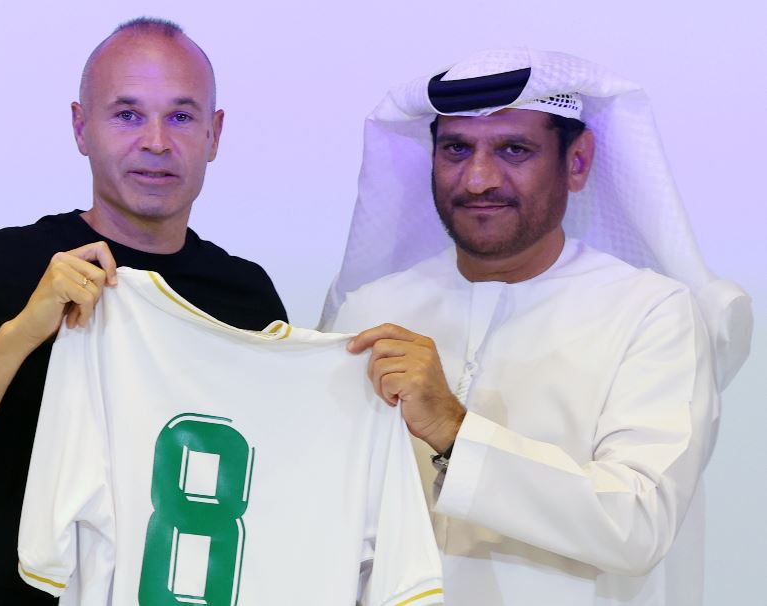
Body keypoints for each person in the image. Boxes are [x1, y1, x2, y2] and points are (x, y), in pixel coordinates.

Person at [0, 18, 286, 606]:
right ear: (80, 127)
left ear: (214, 135)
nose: (157, 142)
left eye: (181, 116)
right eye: (127, 114)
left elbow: (276, 494)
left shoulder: (247, 296)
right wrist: (22, 331)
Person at [322, 48, 753, 605]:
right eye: (456, 149)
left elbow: (639, 523)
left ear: (577, 162)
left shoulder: (652, 313)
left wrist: (455, 431)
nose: (478, 179)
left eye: (514, 150)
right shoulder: (369, 311)